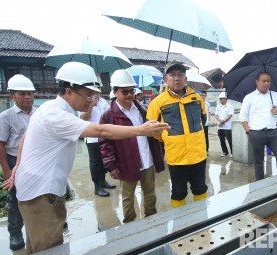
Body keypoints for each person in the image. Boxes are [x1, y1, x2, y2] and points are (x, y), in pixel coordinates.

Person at [1, 62, 169, 254]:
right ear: (69, 91)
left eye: (93, 94)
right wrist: (141, 129)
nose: (91, 100)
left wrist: (18, 167)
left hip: (40, 187)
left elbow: (24, 138)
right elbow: (100, 130)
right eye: (88, 94)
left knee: (38, 251)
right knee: (49, 253)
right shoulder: (56, 114)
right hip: (41, 193)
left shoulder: (53, 108)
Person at [99, 70, 165, 223]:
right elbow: (104, 142)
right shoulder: (108, 116)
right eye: (125, 92)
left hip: (147, 160)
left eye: (132, 91)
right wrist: (110, 164)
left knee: (150, 194)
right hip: (126, 163)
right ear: (115, 92)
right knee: (128, 197)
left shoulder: (142, 110)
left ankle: (151, 220)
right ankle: (130, 223)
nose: (129, 95)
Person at [146, 61, 208, 208]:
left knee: (200, 188)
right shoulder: (157, 103)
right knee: (179, 192)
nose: (177, 78)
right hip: (176, 157)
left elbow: (203, 119)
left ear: (186, 79)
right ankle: (180, 225)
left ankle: (201, 218)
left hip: (198, 155)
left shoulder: (197, 98)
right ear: (166, 79)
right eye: (172, 75)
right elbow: (153, 130)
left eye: (180, 74)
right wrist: (168, 138)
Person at [0, 74, 36, 251]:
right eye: (22, 94)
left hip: (35, 159)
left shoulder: (39, 114)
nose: (27, 97)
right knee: (15, 198)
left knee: (42, 193)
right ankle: (15, 233)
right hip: (14, 159)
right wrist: (7, 170)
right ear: (12, 96)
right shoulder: (5, 117)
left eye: (30, 93)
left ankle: (49, 222)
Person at [239, 71, 277, 181]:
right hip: (256, 133)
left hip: (273, 132)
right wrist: (249, 132)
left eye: (269, 81)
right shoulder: (249, 97)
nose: (266, 83)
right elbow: (242, 116)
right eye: (264, 81)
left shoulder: (274, 95)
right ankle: (260, 185)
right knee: (259, 161)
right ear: (257, 82)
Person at [80, 94, 116, 197]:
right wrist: (91, 105)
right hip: (92, 138)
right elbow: (83, 118)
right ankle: (97, 186)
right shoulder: (87, 100)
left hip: (104, 137)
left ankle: (103, 181)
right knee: (95, 163)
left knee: (103, 160)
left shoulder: (103, 101)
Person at [215, 92, 234, 157]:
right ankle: (225, 152)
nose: (220, 100)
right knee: (222, 140)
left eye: (222, 99)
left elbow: (230, 115)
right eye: (220, 99)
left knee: (230, 140)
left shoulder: (230, 106)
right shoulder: (218, 106)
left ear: (225, 99)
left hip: (227, 127)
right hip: (220, 127)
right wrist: (220, 121)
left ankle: (232, 152)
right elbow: (216, 115)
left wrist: (223, 122)